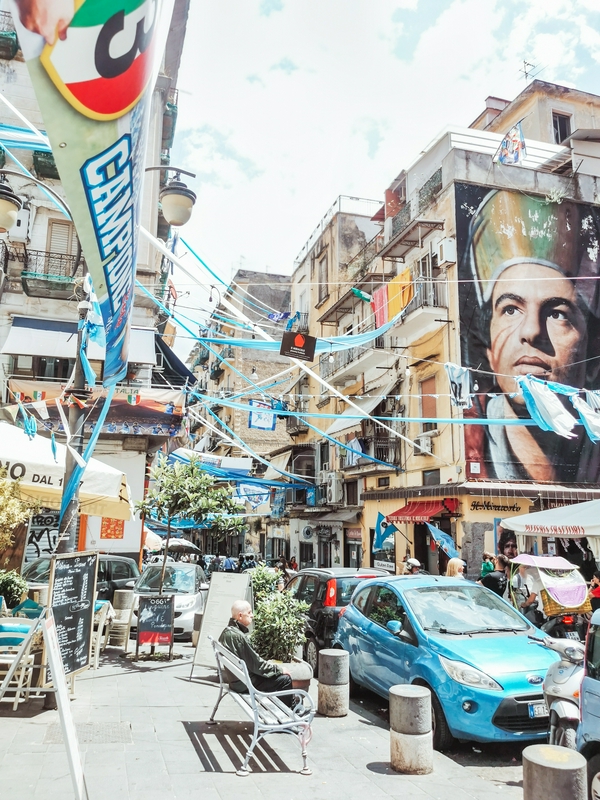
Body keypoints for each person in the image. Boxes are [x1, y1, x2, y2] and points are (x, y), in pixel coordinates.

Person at [462, 188, 600, 483]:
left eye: (557, 313)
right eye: (511, 309)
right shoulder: (473, 451)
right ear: (488, 347)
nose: (531, 331)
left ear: (593, 361)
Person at [219, 600, 294, 706]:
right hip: (245, 683)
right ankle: (291, 712)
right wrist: (279, 669)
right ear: (240, 616)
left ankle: (288, 707)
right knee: (285, 680)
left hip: (236, 681)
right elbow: (257, 665)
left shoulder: (226, 633)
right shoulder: (239, 637)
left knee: (277, 677)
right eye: (249, 613)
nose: (252, 615)